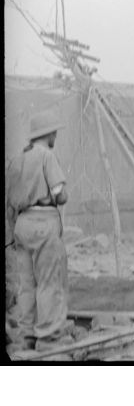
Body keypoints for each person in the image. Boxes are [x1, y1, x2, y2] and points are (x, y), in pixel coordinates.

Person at [6, 109, 70, 351]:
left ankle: (24, 338)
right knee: (49, 282)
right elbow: (58, 194)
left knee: (26, 284)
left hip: (22, 225)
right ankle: (49, 338)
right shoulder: (46, 156)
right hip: (44, 224)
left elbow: (10, 201)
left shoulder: (18, 160)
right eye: (55, 133)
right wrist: (64, 194)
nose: (56, 137)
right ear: (49, 134)